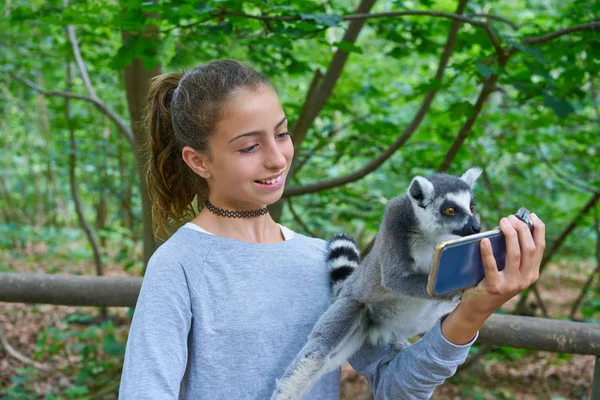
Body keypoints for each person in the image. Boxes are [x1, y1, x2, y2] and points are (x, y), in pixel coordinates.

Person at [118, 59, 545, 399]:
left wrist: (472, 310)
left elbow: (397, 387)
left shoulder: (318, 258)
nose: (277, 158)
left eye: (281, 134)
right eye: (250, 146)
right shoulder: (179, 265)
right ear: (199, 161)